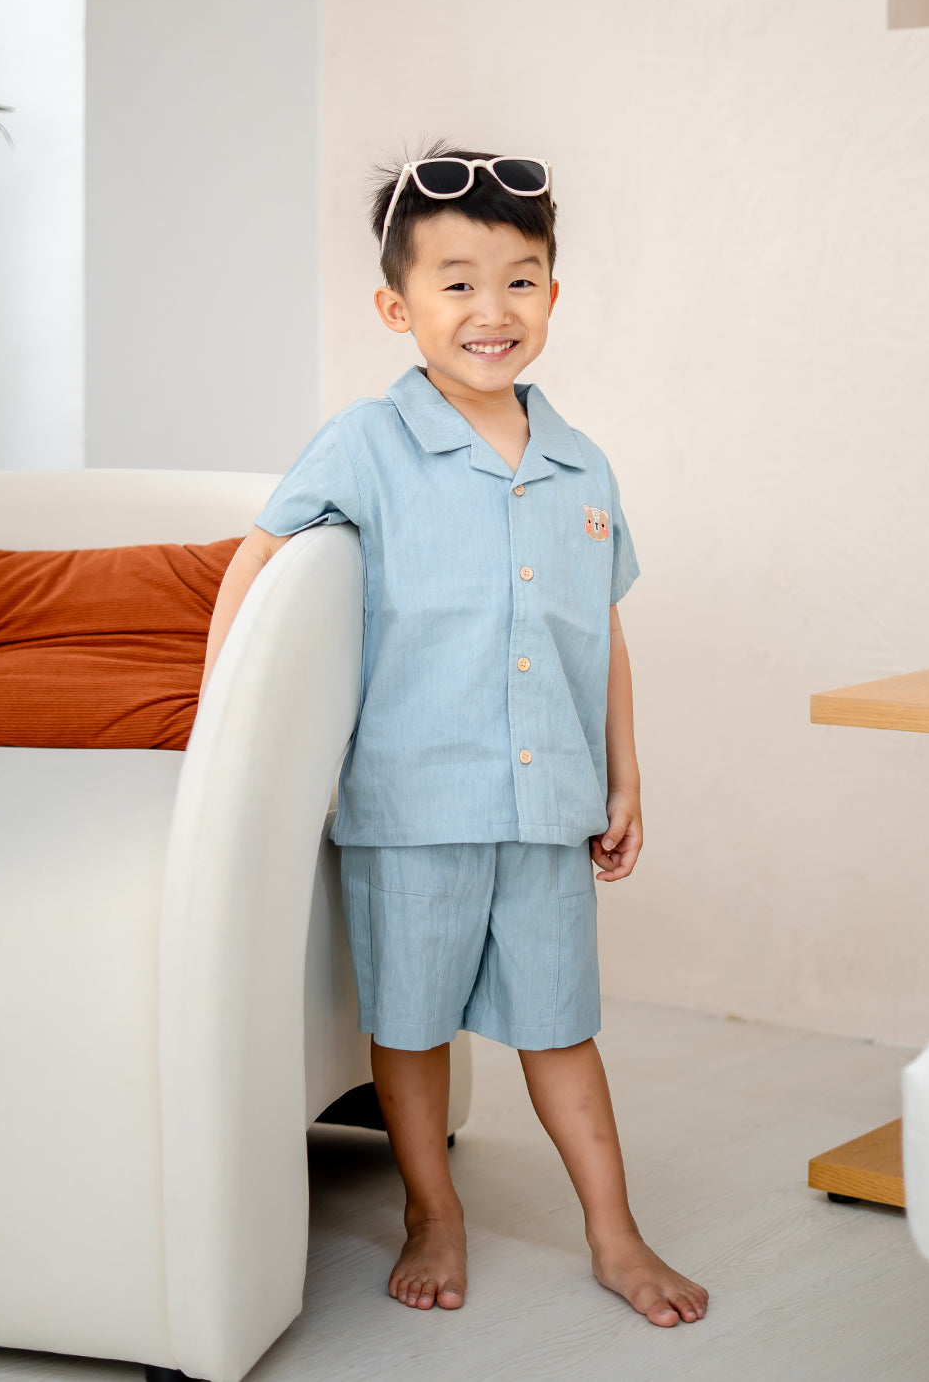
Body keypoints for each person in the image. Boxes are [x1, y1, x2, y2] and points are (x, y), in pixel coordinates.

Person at [200, 145, 708, 1327]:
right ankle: (434, 1207)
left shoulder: (585, 463)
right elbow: (259, 564)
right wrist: (224, 720)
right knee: (413, 1025)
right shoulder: (364, 445)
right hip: (412, 808)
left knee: (561, 1027)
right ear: (399, 306)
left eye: (520, 281)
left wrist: (625, 777)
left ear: (554, 296)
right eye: (458, 282)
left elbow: (603, 633)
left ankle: (615, 1233)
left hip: (549, 813)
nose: (493, 311)